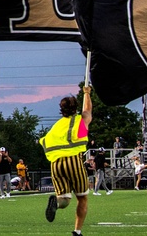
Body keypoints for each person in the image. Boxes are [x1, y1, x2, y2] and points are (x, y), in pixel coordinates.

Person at [40, 85, 92, 236]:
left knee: (64, 199)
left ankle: (56, 203)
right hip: (74, 161)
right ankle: (77, 231)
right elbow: (88, 111)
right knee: (82, 198)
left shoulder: (56, 127)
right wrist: (87, 94)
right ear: (76, 108)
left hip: (56, 164)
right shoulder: (80, 122)